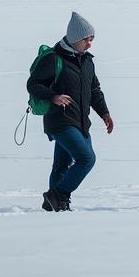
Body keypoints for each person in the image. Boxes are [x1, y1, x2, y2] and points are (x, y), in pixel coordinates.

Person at [27, 11, 114, 212]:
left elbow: (94, 90)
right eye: (86, 39)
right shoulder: (54, 59)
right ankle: (58, 195)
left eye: (92, 39)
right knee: (86, 159)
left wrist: (105, 114)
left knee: (62, 165)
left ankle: (54, 204)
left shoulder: (87, 61)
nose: (90, 44)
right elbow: (33, 84)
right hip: (61, 121)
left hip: (81, 122)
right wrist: (53, 96)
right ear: (75, 38)